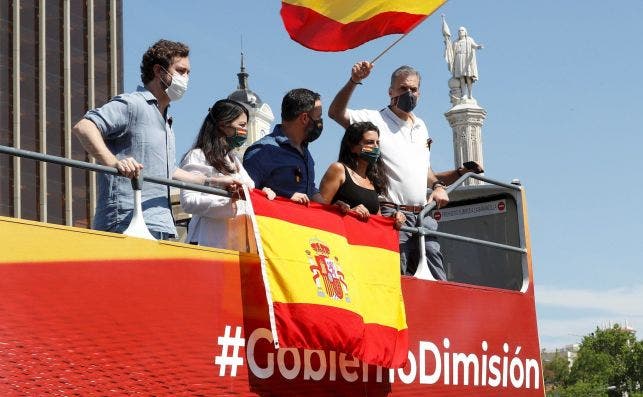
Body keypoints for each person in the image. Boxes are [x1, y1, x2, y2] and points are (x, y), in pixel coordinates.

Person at [328, 61, 483, 279]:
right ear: (390, 91)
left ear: (420, 92)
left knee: (436, 276)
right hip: (392, 213)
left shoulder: (421, 126)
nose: (408, 93)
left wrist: (443, 182)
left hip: (423, 215)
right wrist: (354, 81)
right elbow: (335, 112)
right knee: (394, 276)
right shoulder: (374, 120)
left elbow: (424, 171)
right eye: (403, 88)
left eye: (413, 89)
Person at [72, 39, 233, 240]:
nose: (186, 78)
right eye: (181, 71)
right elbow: (84, 127)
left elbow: (169, 170)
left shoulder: (167, 121)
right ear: (159, 71)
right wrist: (115, 163)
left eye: (188, 73)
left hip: (161, 222)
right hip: (126, 219)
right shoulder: (133, 104)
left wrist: (216, 183)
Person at [180, 99, 275, 251]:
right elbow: (188, 201)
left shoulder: (234, 161)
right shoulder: (197, 156)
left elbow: (249, 191)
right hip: (210, 242)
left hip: (239, 243)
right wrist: (228, 201)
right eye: (242, 126)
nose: (245, 131)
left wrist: (262, 194)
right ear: (223, 125)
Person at [243, 88, 324, 205]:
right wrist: (285, 198)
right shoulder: (262, 151)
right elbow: (247, 193)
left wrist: (336, 208)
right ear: (305, 118)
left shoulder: (304, 150)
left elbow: (309, 190)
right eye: (318, 117)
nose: (320, 122)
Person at [318, 121, 405, 229]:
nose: (375, 147)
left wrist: (393, 219)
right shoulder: (339, 169)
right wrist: (350, 212)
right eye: (369, 142)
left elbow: (377, 221)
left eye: (377, 142)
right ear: (353, 147)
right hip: (341, 239)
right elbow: (318, 209)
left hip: (363, 243)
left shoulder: (372, 180)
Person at [444, 24, 483, 99]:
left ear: (465, 32)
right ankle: (464, 94)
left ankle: (470, 94)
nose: (460, 32)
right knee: (461, 78)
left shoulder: (469, 39)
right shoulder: (456, 42)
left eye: (462, 30)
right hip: (458, 59)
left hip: (467, 60)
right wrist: (447, 43)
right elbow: (451, 52)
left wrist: (478, 46)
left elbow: (474, 45)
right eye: (459, 31)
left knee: (468, 78)